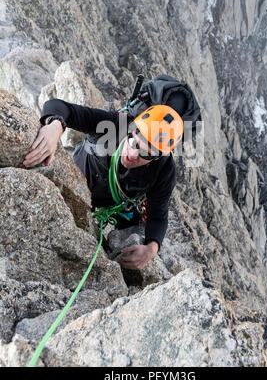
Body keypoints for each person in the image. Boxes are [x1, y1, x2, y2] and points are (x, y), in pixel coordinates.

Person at [23, 99, 184, 270]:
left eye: (145, 153)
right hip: (77, 187)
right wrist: (55, 126)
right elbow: (61, 107)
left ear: (157, 157)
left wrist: (151, 249)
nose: (133, 153)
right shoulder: (113, 125)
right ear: (131, 129)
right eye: (134, 141)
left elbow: (158, 214)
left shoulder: (164, 169)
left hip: (119, 204)